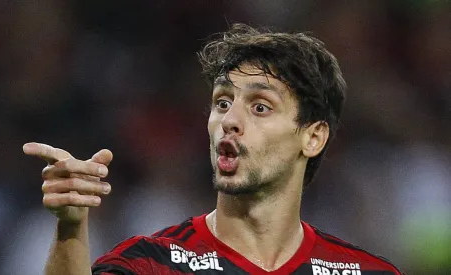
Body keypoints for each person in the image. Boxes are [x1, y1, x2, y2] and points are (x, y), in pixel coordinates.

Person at [23, 23, 404, 275]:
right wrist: (71, 229)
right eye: (223, 102)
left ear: (313, 137)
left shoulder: (367, 271)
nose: (230, 120)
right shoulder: (152, 263)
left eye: (260, 107)